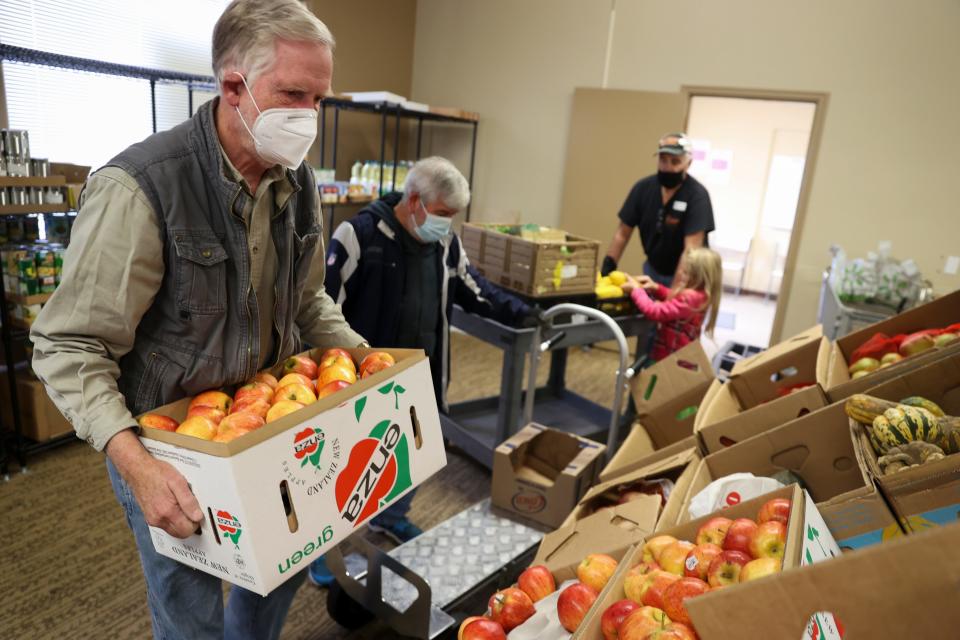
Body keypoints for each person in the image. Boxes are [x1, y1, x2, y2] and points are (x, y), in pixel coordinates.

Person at [29, 2, 365, 638]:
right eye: (293, 94)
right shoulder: (141, 188)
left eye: (319, 99)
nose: (309, 118)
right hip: (173, 449)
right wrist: (139, 467)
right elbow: (69, 345)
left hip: (270, 422)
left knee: (281, 564)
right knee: (190, 614)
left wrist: (374, 372)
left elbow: (308, 300)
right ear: (232, 85)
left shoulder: (297, 181)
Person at [307, 156, 539, 587]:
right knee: (346, 468)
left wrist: (524, 311)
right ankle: (325, 551)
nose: (448, 224)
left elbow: (474, 288)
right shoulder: (358, 235)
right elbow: (324, 306)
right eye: (444, 214)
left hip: (422, 375)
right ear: (415, 201)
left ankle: (392, 518)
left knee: (412, 453)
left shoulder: (444, 244)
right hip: (361, 382)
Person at [601, 133, 715, 287]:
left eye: (675, 162)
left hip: (688, 276)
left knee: (671, 310)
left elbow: (691, 251)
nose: (668, 167)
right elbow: (622, 233)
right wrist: (607, 269)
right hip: (653, 270)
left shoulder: (697, 196)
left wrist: (672, 296)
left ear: (688, 164)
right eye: (663, 160)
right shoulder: (643, 189)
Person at [621, 248, 723, 363]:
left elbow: (654, 312)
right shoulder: (700, 295)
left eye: (686, 272)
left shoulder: (690, 299)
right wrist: (657, 288)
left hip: (671, 359)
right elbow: (676, 302)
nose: (681, 274)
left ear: (698, 276)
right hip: (679, 357)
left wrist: (637, 290)